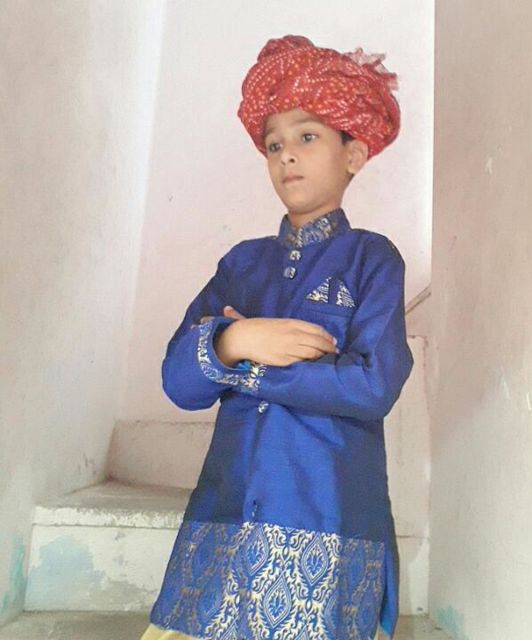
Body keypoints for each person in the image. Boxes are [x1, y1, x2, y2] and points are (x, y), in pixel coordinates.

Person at [140, 34, 414, 640]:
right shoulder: (242, 264)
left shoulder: (373, 260)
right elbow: (178, 381)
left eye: (307, 137)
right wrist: (236, 340)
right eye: (274, 145)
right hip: (227, 506)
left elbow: (372, 386)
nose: (287, 155)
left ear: (354, 154)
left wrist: (250, 364)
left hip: (327, 512)